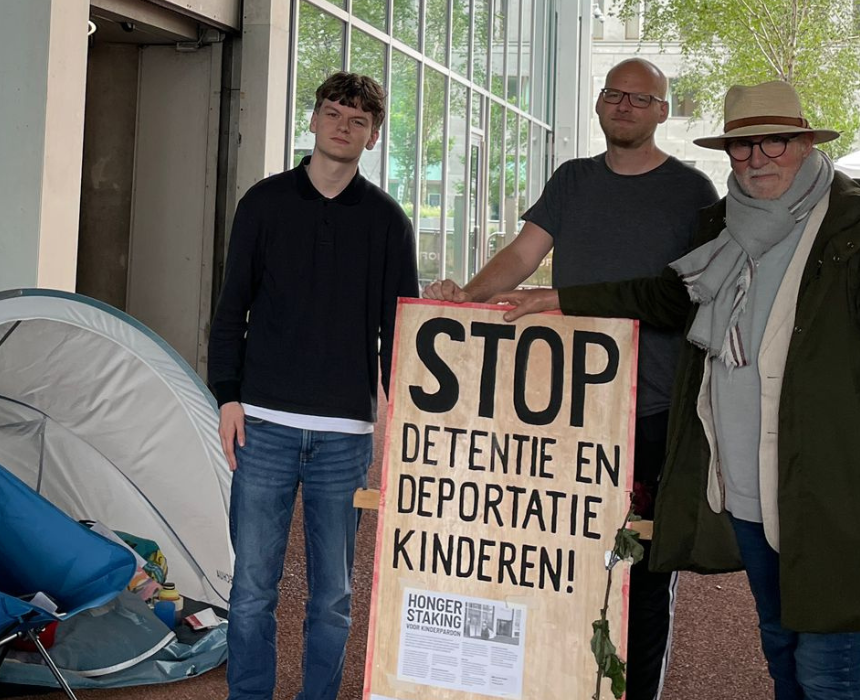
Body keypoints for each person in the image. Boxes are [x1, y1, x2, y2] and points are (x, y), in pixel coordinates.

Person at [493, 80, 860, 699]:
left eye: (773, 141)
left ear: (803, 142)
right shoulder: (722, 221)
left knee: (829, 664)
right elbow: (667, 295)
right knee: (779, 644)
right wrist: (554, 299)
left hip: (827, 490)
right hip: (742, 482)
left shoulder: (849, 225)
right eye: (742, 147)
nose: (757, 158)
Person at [422, 58, 719, 700]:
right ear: (599, 104)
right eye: (614, 94)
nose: (625, 106)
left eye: (641, 98)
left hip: (653, 411)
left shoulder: (694, 193)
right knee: (564, 560)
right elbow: (524, 253)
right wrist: (464, 302)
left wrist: (563, 298)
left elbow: (679, 298)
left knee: (642, 571)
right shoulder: (572, 180)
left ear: (663, 111)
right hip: (572, 409)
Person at [208, 71, 419, 700]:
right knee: (251, 591)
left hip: (345, 435)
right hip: (262, 424)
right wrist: (226, 396)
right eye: (333, 113)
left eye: (358, 121)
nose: (343, 127)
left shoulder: (388, 222)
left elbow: (396, 328)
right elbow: (230, 309)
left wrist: (405, 425)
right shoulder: (264, 203)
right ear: (313, 120)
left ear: (374, 136)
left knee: (332, 597)